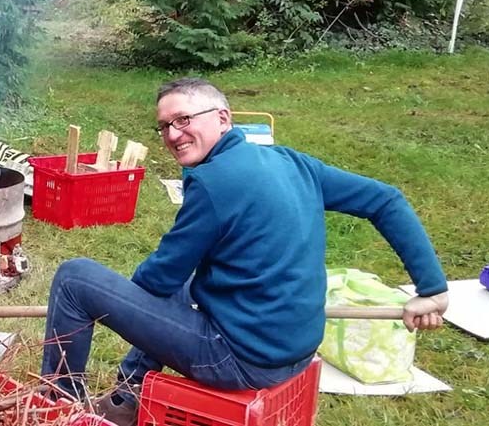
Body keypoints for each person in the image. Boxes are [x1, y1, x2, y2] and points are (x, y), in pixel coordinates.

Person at [41, 77, 449, 426]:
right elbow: (386, 200)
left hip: (239, 359)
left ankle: (56, 409)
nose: (172, 134)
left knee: (76, 278)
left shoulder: (214, 182)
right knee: (184, 279)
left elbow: (156, 281)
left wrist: (131, 306)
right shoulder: (290, 161)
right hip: (296, 349)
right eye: (164, 126)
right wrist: (432, 287)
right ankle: (128, 397)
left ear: (223, 117)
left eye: (183, 120)